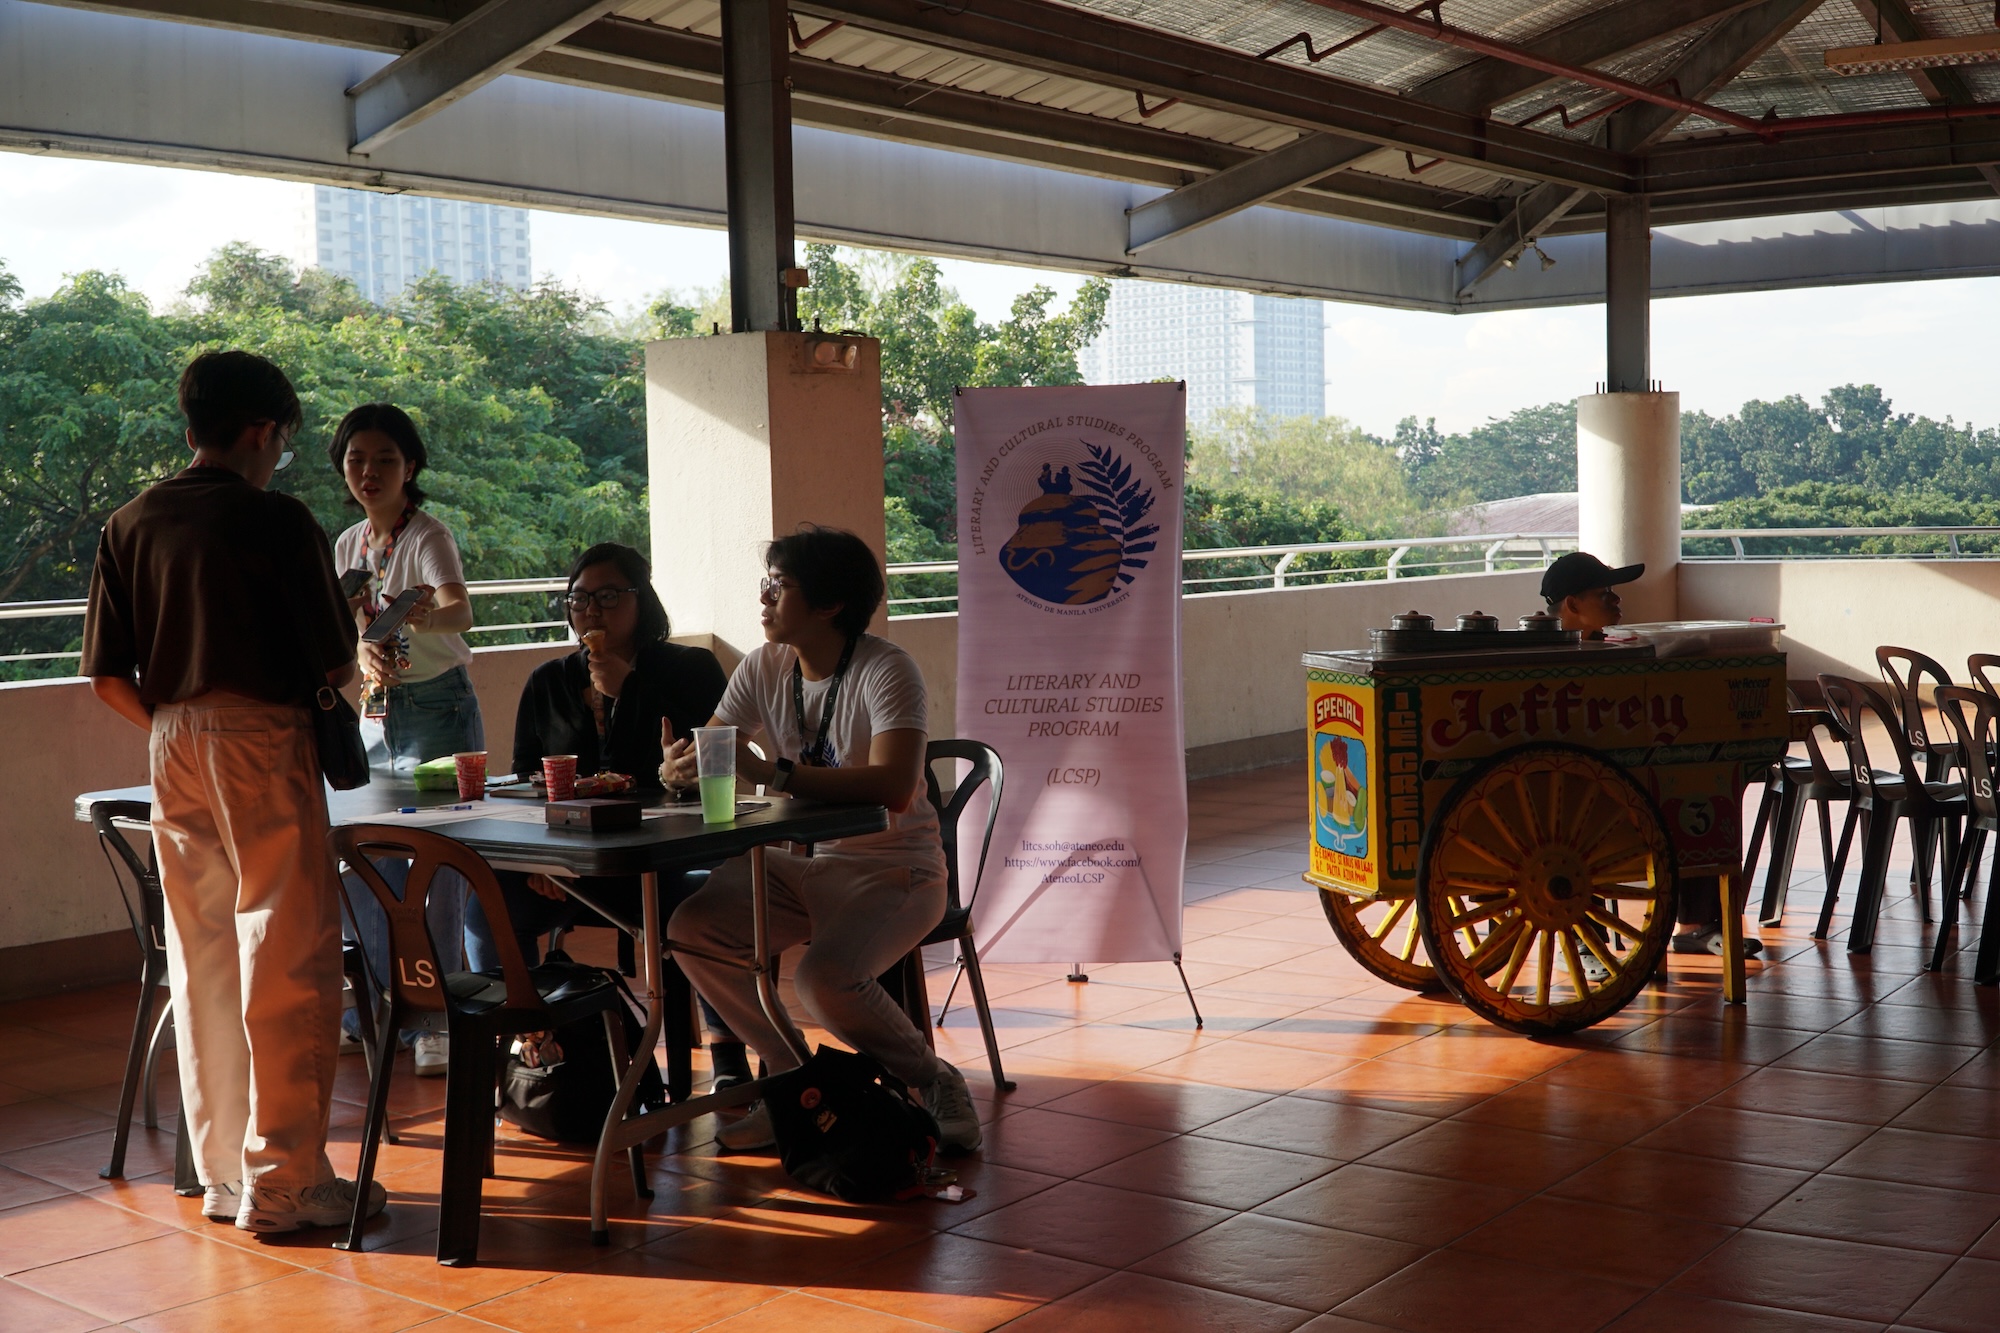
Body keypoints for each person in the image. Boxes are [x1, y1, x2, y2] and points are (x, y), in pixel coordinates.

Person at [81, 350, 385, 1234]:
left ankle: (221, 1175)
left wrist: (181, 728)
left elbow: (103, 676)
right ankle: (286, 1179)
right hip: (261, 733)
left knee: (203, 953)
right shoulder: (276, 520)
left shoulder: (130, 521)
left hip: (169, 735)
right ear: (261, 430)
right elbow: (336, 662)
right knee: (284, 950)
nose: (277, 457)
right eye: (283, 441)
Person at [663, 525, 981, 1154]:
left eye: (778, 587)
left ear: (831, 604)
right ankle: (795, 1084)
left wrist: (771, 773)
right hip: (800, 863)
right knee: (691, 929)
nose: (763, 599)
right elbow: (714, 743)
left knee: (824, 979)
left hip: (895, 869)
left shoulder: (887, 669)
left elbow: (894, 786)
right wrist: (679, 764)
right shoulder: (765, 664)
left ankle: (935, 1079)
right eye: (765, 584)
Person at [463, 544, 749, 1085]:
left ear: (643, 602)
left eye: (609, 596)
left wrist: (629, 691)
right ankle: (528, 1048)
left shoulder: (690, 669)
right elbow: (527, 780)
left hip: (658, 861)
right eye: (579, 599)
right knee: (487, 908)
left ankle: (729, 1056)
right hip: (568, 871)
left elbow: (703, 766)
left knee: (703, 906)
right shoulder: (548, 681)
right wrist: (541, 861)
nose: (591, 610)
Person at [328, 404, 483, 1075]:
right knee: (365, 857)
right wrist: (365, 654)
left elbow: (461, 610)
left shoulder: (427, 534)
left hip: (439, 709)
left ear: (410, 467)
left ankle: (438, 1014)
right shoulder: (346, 543)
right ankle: (379, 1004)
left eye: (385, 459)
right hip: (376, 713)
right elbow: (344, 630)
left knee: (435, 865)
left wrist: (411, 620)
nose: (368, 471)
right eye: (356, 459)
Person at [1540, 550, 1762, 959]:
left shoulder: (1607, 648)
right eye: (1604, 593)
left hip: (1626, 774)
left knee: (1696, 796)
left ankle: (1696, 924)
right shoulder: (1548, 658)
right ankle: (1585, 940)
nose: (1616, 600)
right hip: (1574, 793)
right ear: (1572, 605)